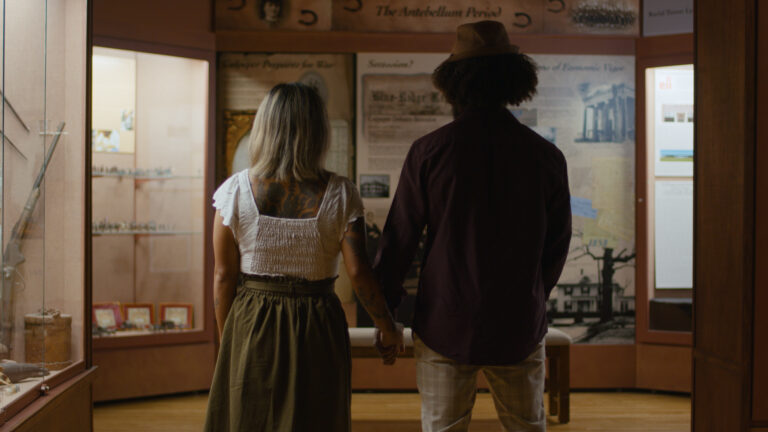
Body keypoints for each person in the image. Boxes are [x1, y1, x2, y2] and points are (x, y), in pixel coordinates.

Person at [372, 21, 572, 432]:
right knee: (527, 426)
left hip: (446, 320)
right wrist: (533, 294)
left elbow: (399, 242)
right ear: (515, 79)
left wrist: (385, 316)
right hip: (518, 321)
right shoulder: (546, 156)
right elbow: (556, 246)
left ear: (454, 82)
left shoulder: (429, 153)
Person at [205, 83, 403, 431]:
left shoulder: (234, 191)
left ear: (264, 128)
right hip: (317, 320)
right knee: (316, 416)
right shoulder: (341, 192)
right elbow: (359, 273)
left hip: (252, 320)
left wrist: (229, 342)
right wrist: (387, 328)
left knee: (249, 417)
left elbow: (224, 277)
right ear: (317, 132)